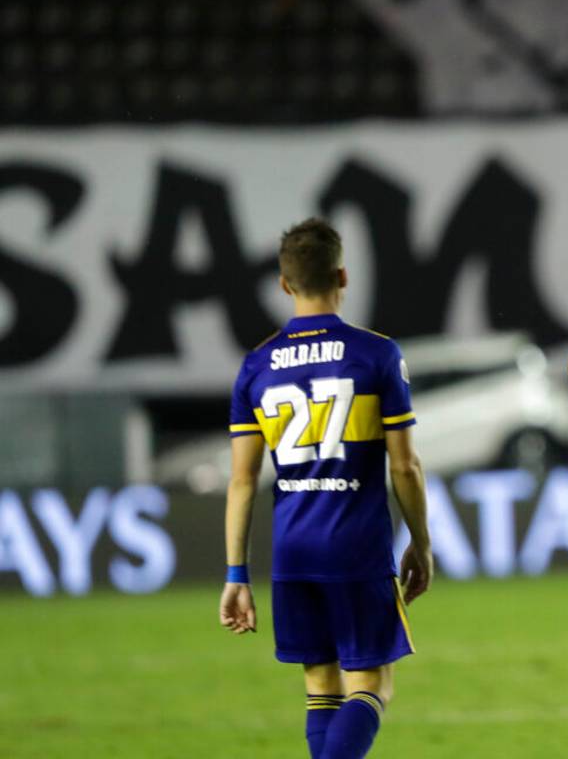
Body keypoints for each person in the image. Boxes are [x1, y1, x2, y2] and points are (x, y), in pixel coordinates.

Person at [219, 217, 433, 757]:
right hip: (355, 544)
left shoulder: (256, 366)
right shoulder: (376, 354)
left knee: (320, 687)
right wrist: (422, 543)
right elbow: (403, 467)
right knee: (372, 684)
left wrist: (236, 573)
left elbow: (242, 479)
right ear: (343, 274)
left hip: (293, 549)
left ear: (284, 284)